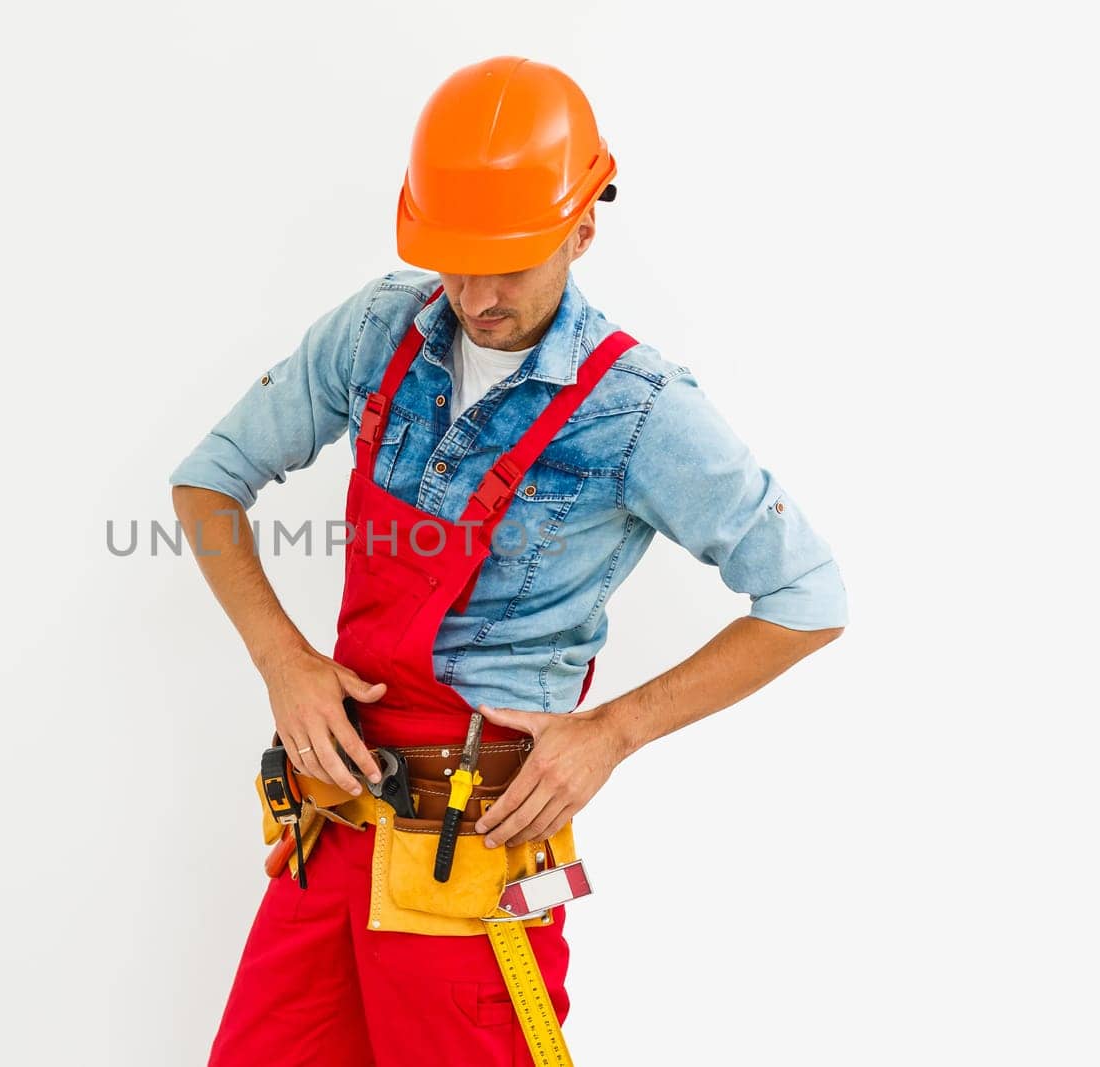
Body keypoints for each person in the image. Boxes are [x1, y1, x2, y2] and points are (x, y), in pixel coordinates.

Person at [169, 55, 847, 1067]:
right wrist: (283, 659)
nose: (478, 295)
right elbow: (209, 478)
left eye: (512, 263)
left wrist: (612, 731)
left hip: (473, 864)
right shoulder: (376, 332)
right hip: (333, 826)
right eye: (455, 258)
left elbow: (808, 596)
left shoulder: (639, 411)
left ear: (581, 228)